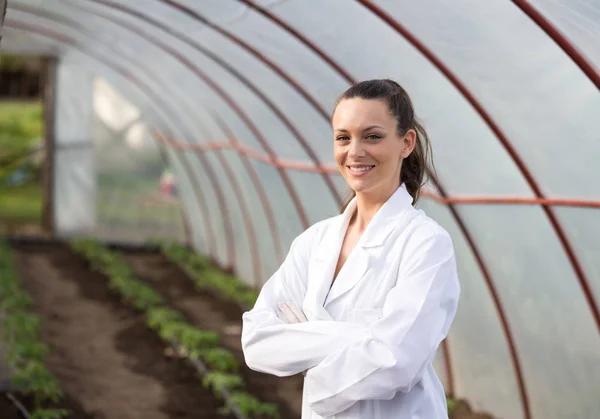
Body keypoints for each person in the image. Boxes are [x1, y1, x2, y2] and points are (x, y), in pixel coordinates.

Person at [241, 79, 460, 418]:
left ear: (406, 143)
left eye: (372, 136)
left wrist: (307, 346)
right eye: (343, 137)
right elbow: (256, 342)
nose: (354, 152)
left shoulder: (426, 245)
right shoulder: (315, 242)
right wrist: (358, 339)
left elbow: (395, 362)